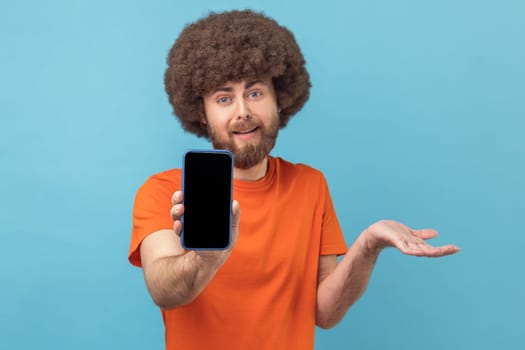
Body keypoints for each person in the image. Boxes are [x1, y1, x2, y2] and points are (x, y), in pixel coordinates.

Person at [128, 9, 460, 350]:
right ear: (202, 113)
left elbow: (325, 313)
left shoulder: (310, 185)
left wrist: (368, 245)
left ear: (280, 100)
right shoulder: (164, 193)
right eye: (224, 98)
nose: (242, 111)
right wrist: (206, 258)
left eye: (255, 93)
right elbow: (164, 290)